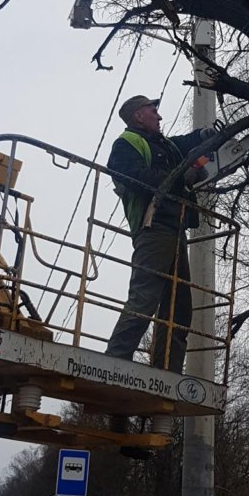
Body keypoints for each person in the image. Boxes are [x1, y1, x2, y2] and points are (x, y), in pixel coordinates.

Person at [105, 94, 213, 374]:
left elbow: (185, 144)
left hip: (174, 228)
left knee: (179, 306)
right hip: (153, 227)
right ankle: (115, 362)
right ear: (139, 116)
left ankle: (167, 371)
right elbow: (136, 177)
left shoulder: (164, 145)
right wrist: (180, 179)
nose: (160, 117)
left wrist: (207, 134)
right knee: (145, 298)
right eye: (154, 111)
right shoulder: (127, 144)